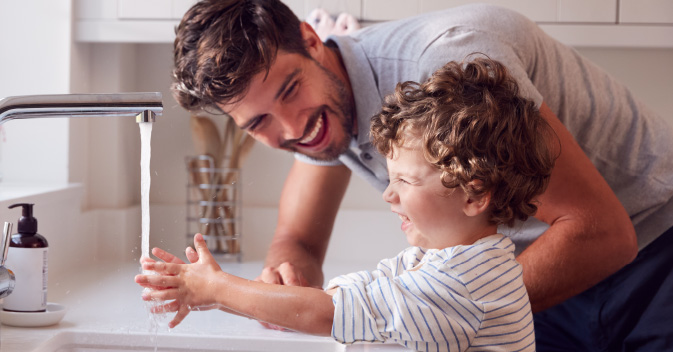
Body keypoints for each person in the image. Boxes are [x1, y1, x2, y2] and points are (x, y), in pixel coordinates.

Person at [169, 1, 673, 350]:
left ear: (310, 38)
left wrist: (426, 312)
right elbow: (297, 238)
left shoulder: (445, 71)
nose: (293, 127)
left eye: (289, 90)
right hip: (544, 271)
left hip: (655, 250)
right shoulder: (319, 120)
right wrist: (286, 277)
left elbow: (602, 233)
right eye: (258, 123)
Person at [138, 57, 552, 350]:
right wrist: (219, 297)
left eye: (404, 181)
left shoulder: (463, 284)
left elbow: (331, 313)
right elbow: (352, 292)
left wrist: (219, 287)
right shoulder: (438, 260)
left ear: (476, 195)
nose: (388, 195)